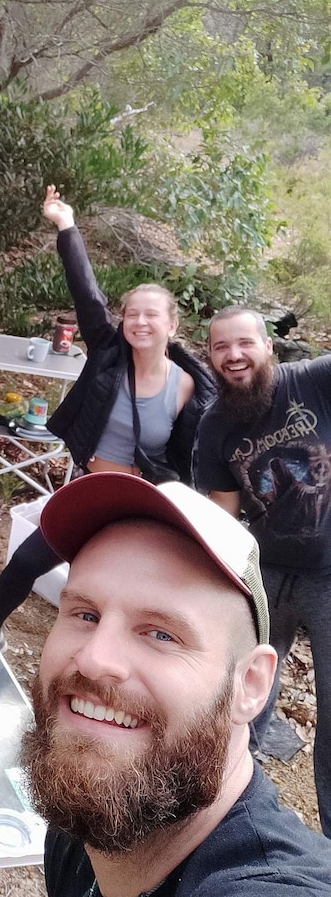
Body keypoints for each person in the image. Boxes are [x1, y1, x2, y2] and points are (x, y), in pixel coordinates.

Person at [21, 471, 331, 895]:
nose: (94, 659)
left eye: (162, 634)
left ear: (252, 684)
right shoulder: (87, 808)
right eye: (86, 614)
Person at [0, 185, 215, 647]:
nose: (140, 323)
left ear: (172, 326)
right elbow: (85, 292)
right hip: (90, 487)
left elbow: (189, 460)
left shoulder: (189, 387)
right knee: (28, 561)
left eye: (152, 316)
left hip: (142, 504)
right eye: (132, 314)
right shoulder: (109, 353)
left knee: (121, 594)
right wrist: (66, 226)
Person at [193, 304, 331, 838]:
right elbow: (224, 518)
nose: (233, 356)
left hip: (328, 575)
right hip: (265, 571)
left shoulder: (314, 380)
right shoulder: (216, 425)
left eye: (244, 343)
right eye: (220, 347)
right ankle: (232, 811)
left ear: (268, 345)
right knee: (243, 695)